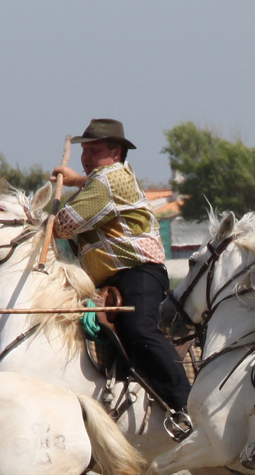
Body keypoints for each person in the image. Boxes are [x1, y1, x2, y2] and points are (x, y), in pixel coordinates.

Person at [49, 118, 192, 427]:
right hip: (114, 277)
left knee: (140, 329)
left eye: (94, 150)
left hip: (138, 272)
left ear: (115, 153)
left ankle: (185, 406)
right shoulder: (108, 177)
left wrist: (50, 211)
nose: (86, 157)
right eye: (84, 151)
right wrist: (77, 181)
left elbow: (64, 225)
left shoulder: (107, 180)